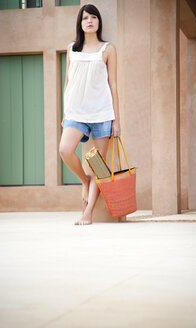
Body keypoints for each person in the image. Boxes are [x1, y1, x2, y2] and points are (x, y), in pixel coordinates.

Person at [59, 3, 121, 225]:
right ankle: (84, 181)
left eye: (93, 17)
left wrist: (116, 120)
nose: (89, 21)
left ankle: (88, 213)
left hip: (102, 113)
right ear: (80, 23)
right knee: (65, 150)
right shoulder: (72, 49)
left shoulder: (108, 49)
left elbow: (113, 85)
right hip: (76, 112)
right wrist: (65, 111)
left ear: (98, 22)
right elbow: (68, 82)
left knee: (99, 166)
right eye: (85, 18)